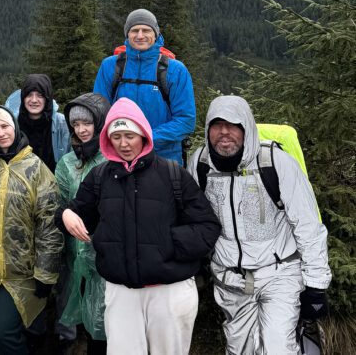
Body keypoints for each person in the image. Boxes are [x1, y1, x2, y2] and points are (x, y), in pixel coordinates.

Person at [61, 97, 220, 355]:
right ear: (107, 139)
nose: (123, 144)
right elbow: (77, 209)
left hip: (170, 290)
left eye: (130, 135)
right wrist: (66, 213)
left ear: (144, 135)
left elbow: (207, 225)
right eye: (117, 136)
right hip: (121, 291)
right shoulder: (100, 177)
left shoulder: (172, 174)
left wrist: (168, 245)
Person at [187, 95, 331, 354]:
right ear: (208, 129)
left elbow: (307, 224)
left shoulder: (275, 162)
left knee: (278, 347)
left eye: (233, 125)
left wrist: (316, 284)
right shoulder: (200, 164)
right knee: (239, 349)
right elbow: (194, 218)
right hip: (230, 278)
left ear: (247, 128)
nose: (224, 133)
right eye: (217, 125)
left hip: (280, 273)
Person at [0, 106, 63, 355]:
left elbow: (49, 225)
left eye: (5, 126)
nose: (0, 133)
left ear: (15, 127)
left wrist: (46, 273)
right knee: (21, 329)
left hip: (25, 273)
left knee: (4, 333)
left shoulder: (36, 168)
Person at [93, 8, 195, 164]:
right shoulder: (110, 66)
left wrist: (147, 138)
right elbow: (99, 114)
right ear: (127, 34)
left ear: (156, 34)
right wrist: (125, 141)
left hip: (163, 158)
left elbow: (186, 120)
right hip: (120, 157)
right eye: (134, 30)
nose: (140, 35)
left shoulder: (175, 70)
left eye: (146, 30)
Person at [53, 93, 110, 355]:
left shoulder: (112, 159)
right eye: (75, 125)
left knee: (108, 318)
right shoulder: (67, 163)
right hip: (77, 253)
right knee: (87, 314)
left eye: (87, 123)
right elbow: (60, 203)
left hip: (109, 251)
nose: (81, 130)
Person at [4, 74, 70, 172]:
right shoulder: (13, 123)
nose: (34, 100)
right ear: (23, 98)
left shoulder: (61, 123)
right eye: (29, 95)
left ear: (47, 98)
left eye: (40, 95)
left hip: (55, 183)